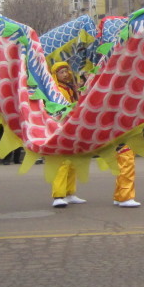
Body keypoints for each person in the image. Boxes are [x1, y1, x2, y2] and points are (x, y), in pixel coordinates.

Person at [50, 62, 85, 208]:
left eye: (66, 71)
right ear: (55, 76)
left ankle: (70, 193)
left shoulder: (72, 88)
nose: (65, 74)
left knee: (72, 162)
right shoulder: (56, 90)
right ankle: (58, 195)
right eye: (61, 72)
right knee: (63, 163)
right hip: (62, 127)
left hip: (72, 127)